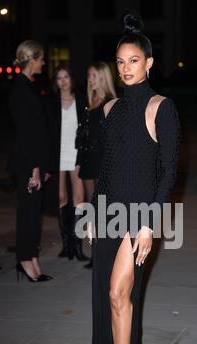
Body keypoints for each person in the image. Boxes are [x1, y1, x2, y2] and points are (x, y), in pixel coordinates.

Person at [84, 14, 181, 344]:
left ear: (149, 63)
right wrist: (92, 212)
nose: (126, 68)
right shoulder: (109, 109)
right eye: (121, 61)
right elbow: (105, 169)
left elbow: (169, 171)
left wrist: (148, 225)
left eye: (134, 60)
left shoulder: (162, 108)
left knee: (117, 294)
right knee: (107, 302)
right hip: (107, 212)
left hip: (138, 215)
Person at [9, 40, 52, 283]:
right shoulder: (20, 88)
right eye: (41, 58)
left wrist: (43, 166)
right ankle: (24, 259)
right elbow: (27, 133)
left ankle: (32, 258)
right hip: (26, 162)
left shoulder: (29, 86)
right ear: (31, 59)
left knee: (34, 214)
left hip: (34, 162)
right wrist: (36, 169)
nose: (43, 63)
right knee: (27, 213)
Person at [43, 66, 89, 262]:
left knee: (79, 197)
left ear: (72, 79)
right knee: (61, 197)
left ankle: (77, 246)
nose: (63, 81)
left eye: (66, 77)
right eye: (59, 78)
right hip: (57, 155)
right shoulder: (50, 104)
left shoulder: (81, 101)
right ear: (56, 82)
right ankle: (66, 245)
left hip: (76, 154)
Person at [75, 62, 117, 269]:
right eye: (88, 75)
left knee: (103, 205)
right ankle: (96, 252)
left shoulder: (110, 103)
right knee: (91, 206)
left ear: (102, 77)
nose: (89, 79)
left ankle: (106, 251)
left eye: (93, 75)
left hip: (103, 160)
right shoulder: (89, 103)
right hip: (88, 159)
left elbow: (114, 138)